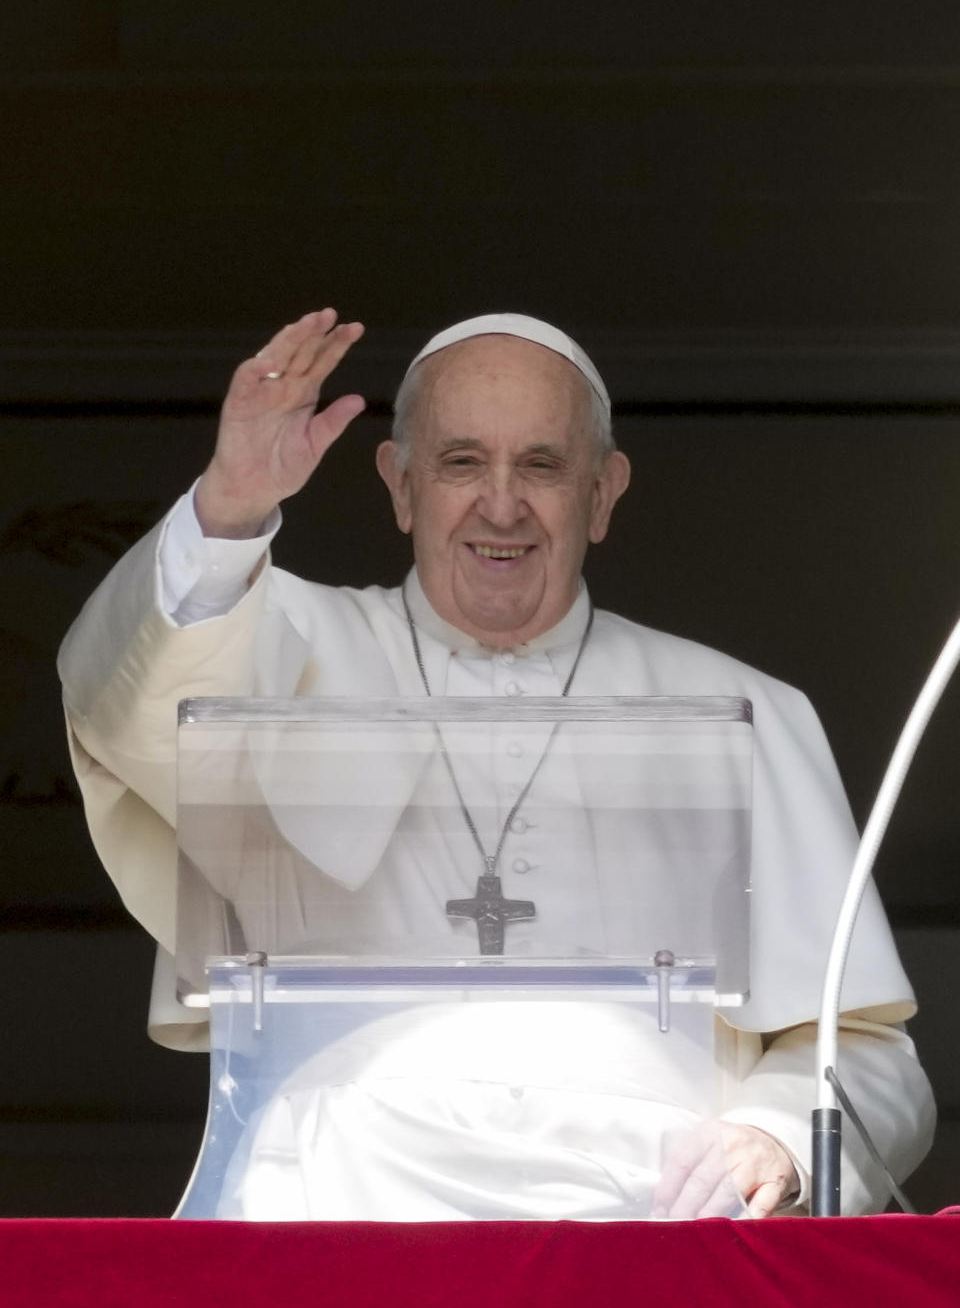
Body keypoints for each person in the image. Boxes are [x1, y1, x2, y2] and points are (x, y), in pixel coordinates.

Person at [58, 308, 935, 1219]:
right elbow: (121, 701)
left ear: (603, 494)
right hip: (337, 1197)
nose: (503, 504)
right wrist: (231, 506)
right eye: (462, 462)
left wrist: (778, 1135)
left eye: (544, 466)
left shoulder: (750, 713)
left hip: (650, 1211)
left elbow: (865, 1051)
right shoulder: (278, 645)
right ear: (400, 486)